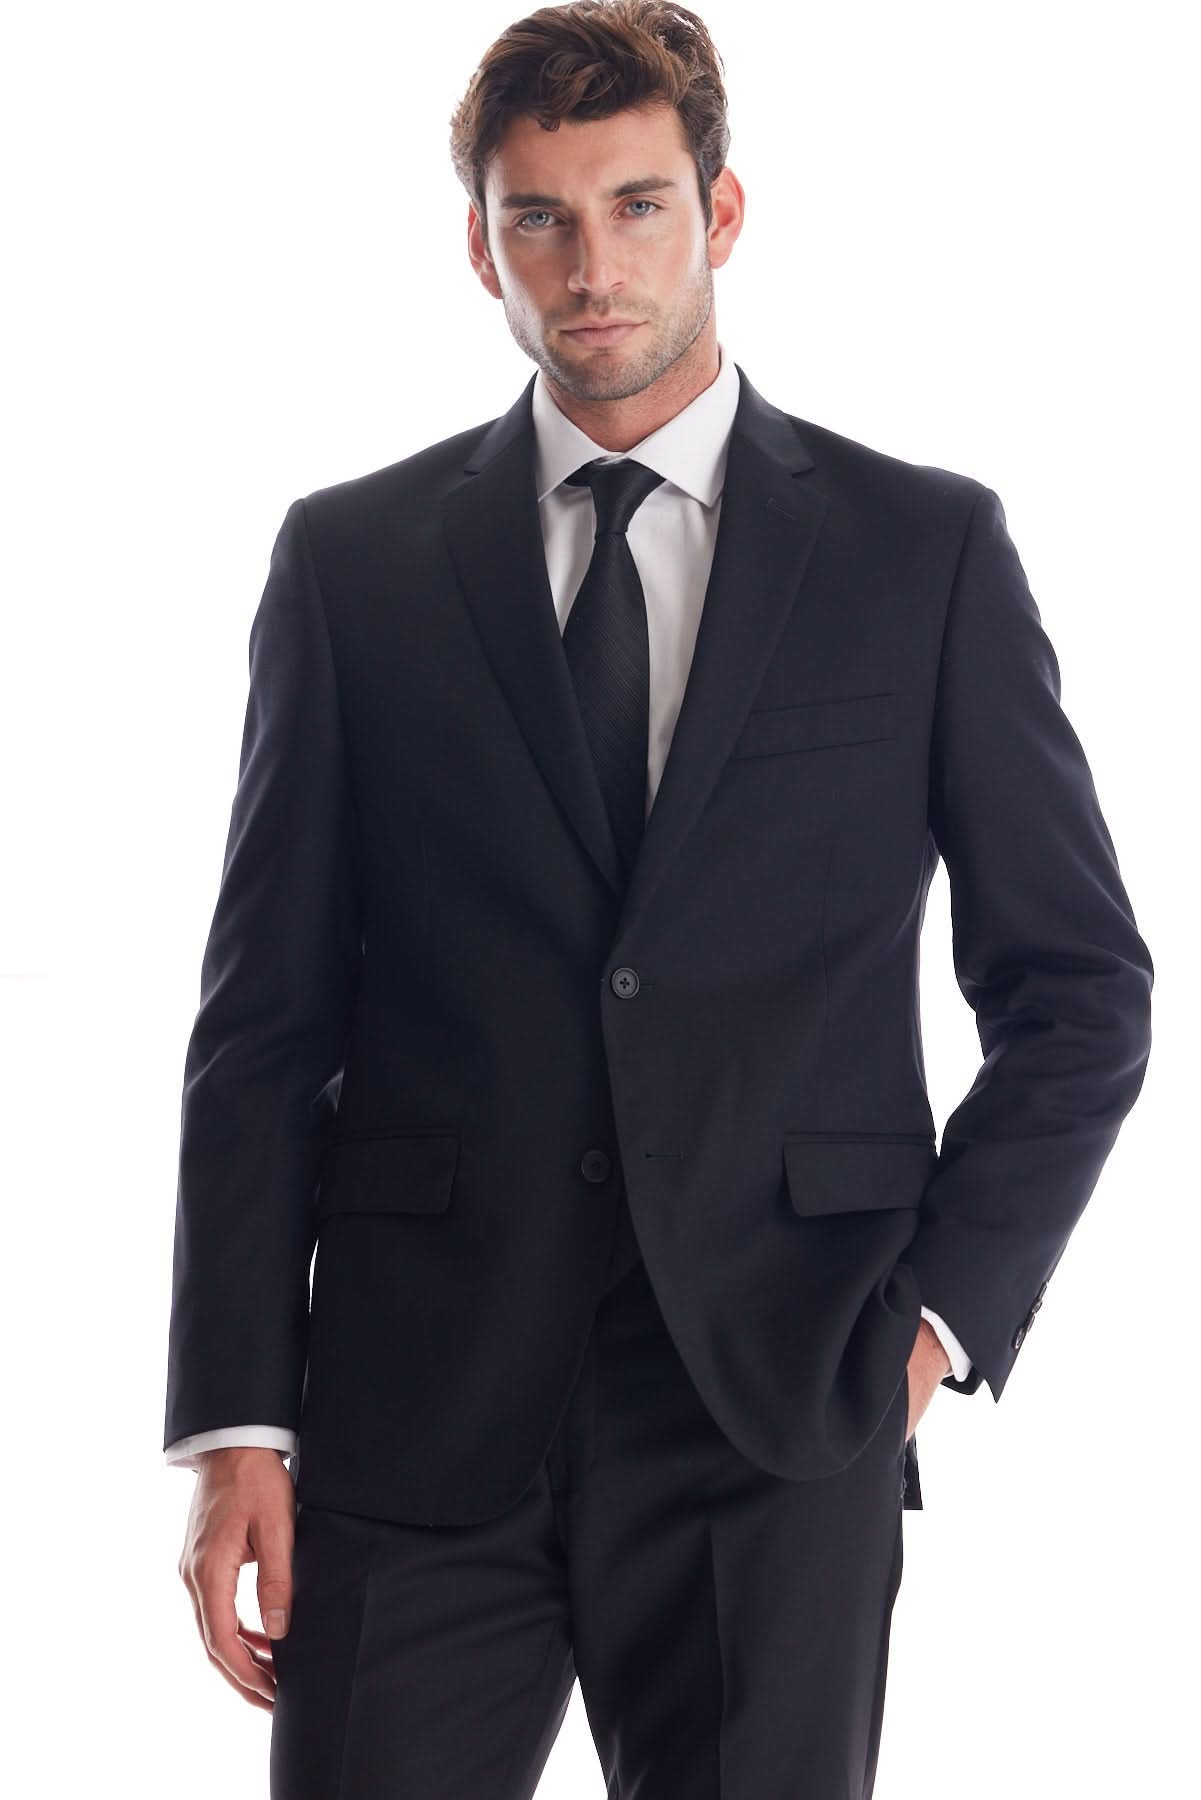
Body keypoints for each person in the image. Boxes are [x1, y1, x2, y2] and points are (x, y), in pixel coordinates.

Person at [164, 4, 1154, 1794]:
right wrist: (236, 1419)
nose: (591, 267)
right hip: (415, 1402)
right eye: (538, 218)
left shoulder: (919, 551)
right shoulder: (353, 564)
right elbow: (264, 1028)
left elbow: (1077, 988)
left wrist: (934, 1322)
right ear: (480, 245)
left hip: (774, 1407)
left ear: (723, 211)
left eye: (636, 206)